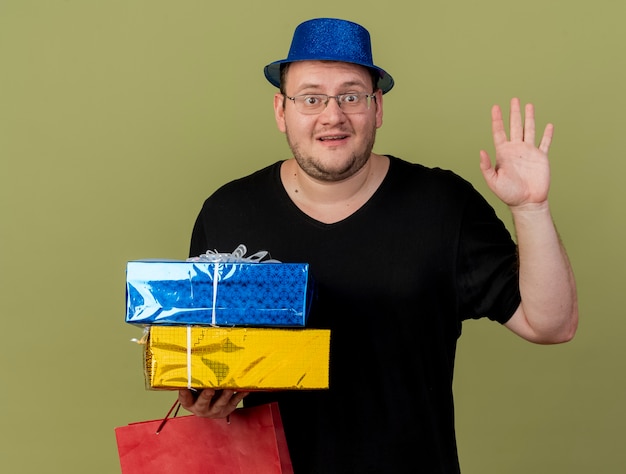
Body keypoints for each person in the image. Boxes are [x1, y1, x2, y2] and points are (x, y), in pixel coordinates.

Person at [177, 17, 578, 473]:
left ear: (377, 107)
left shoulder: (443, 205)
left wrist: (531, 209)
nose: (333, 115)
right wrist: (205, 399)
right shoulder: (228, 212)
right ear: (280, 110)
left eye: (351, 95)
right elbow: (201, 362)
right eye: (311, 98)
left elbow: (552, 325)